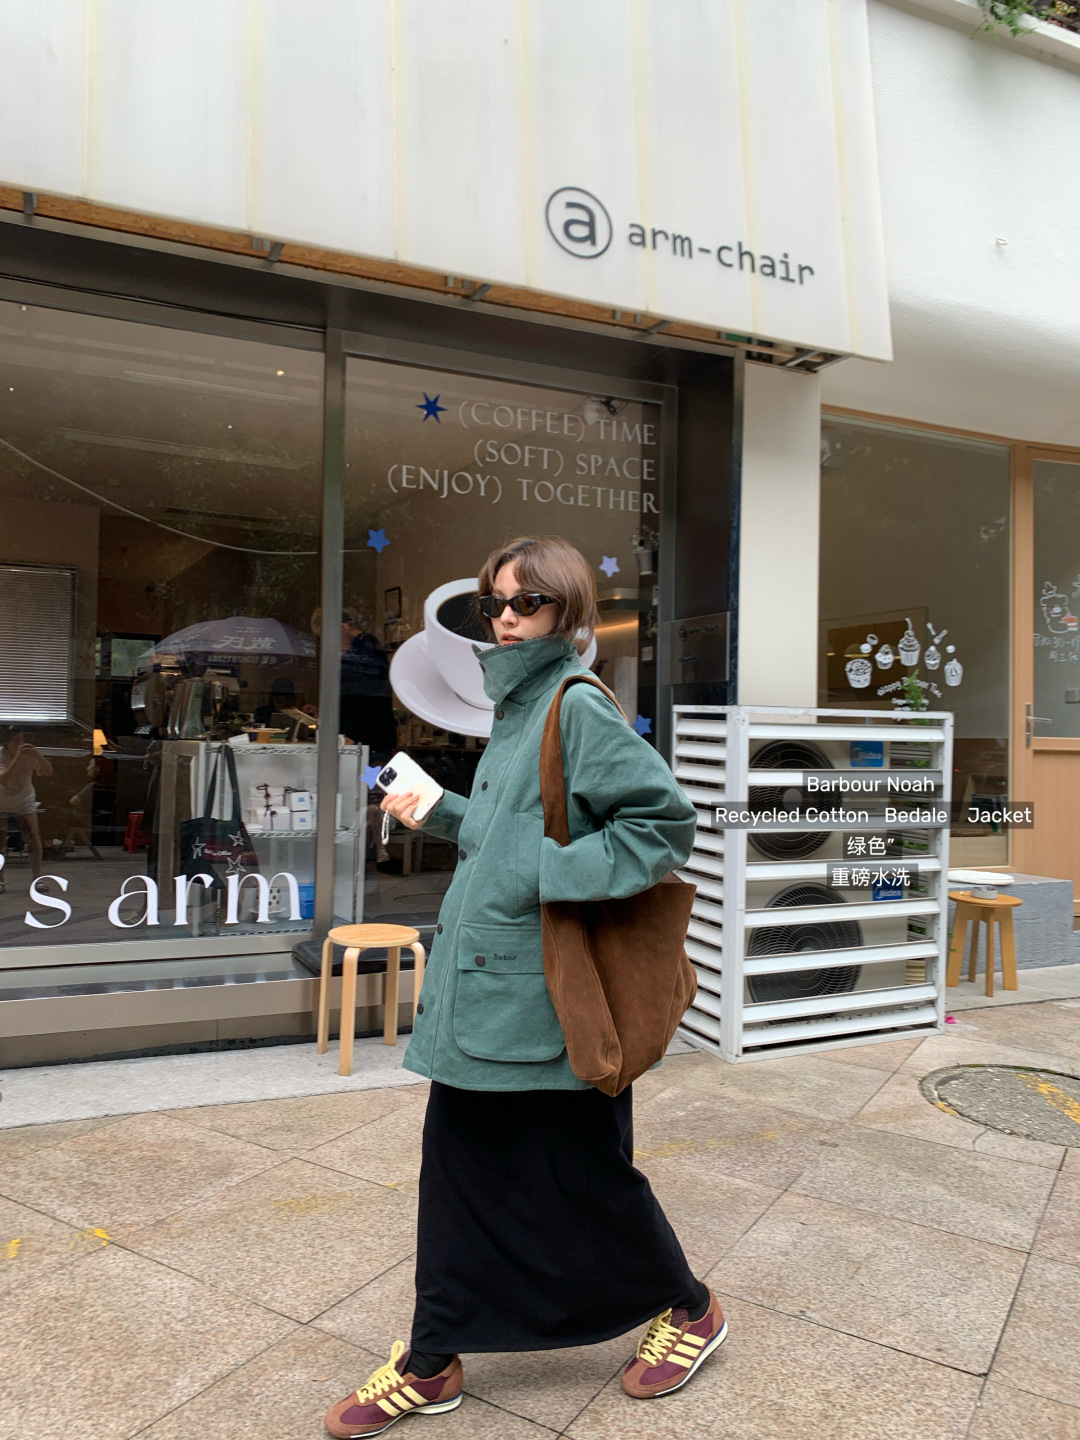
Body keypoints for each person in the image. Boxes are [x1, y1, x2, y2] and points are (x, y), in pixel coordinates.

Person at [324, 537, 725, 1439]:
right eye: (492, 604)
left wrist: (538, 874)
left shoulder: (572, 704)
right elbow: (509, 835)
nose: (505, 619)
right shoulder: (517, 707)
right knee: (462, 1175)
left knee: (584, 1177)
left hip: (544, 1002)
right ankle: (432, 1359)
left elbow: (661, 826)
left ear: (567, 613)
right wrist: (441, 812)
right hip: (494, 990)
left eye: (526, 602)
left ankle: (691, 1309)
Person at [0, 726, 53, 888]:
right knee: (0, 840)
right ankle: (0, 880)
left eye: (22, 741)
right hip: (1, 801)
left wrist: (37, 755)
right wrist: (16, 758)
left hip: (25, 801)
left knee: (33, 838)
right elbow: (3, 779)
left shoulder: (29, 755)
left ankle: (37, 879)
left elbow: (48, 771)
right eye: (16, 741)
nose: (20, 745)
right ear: (6, 742)